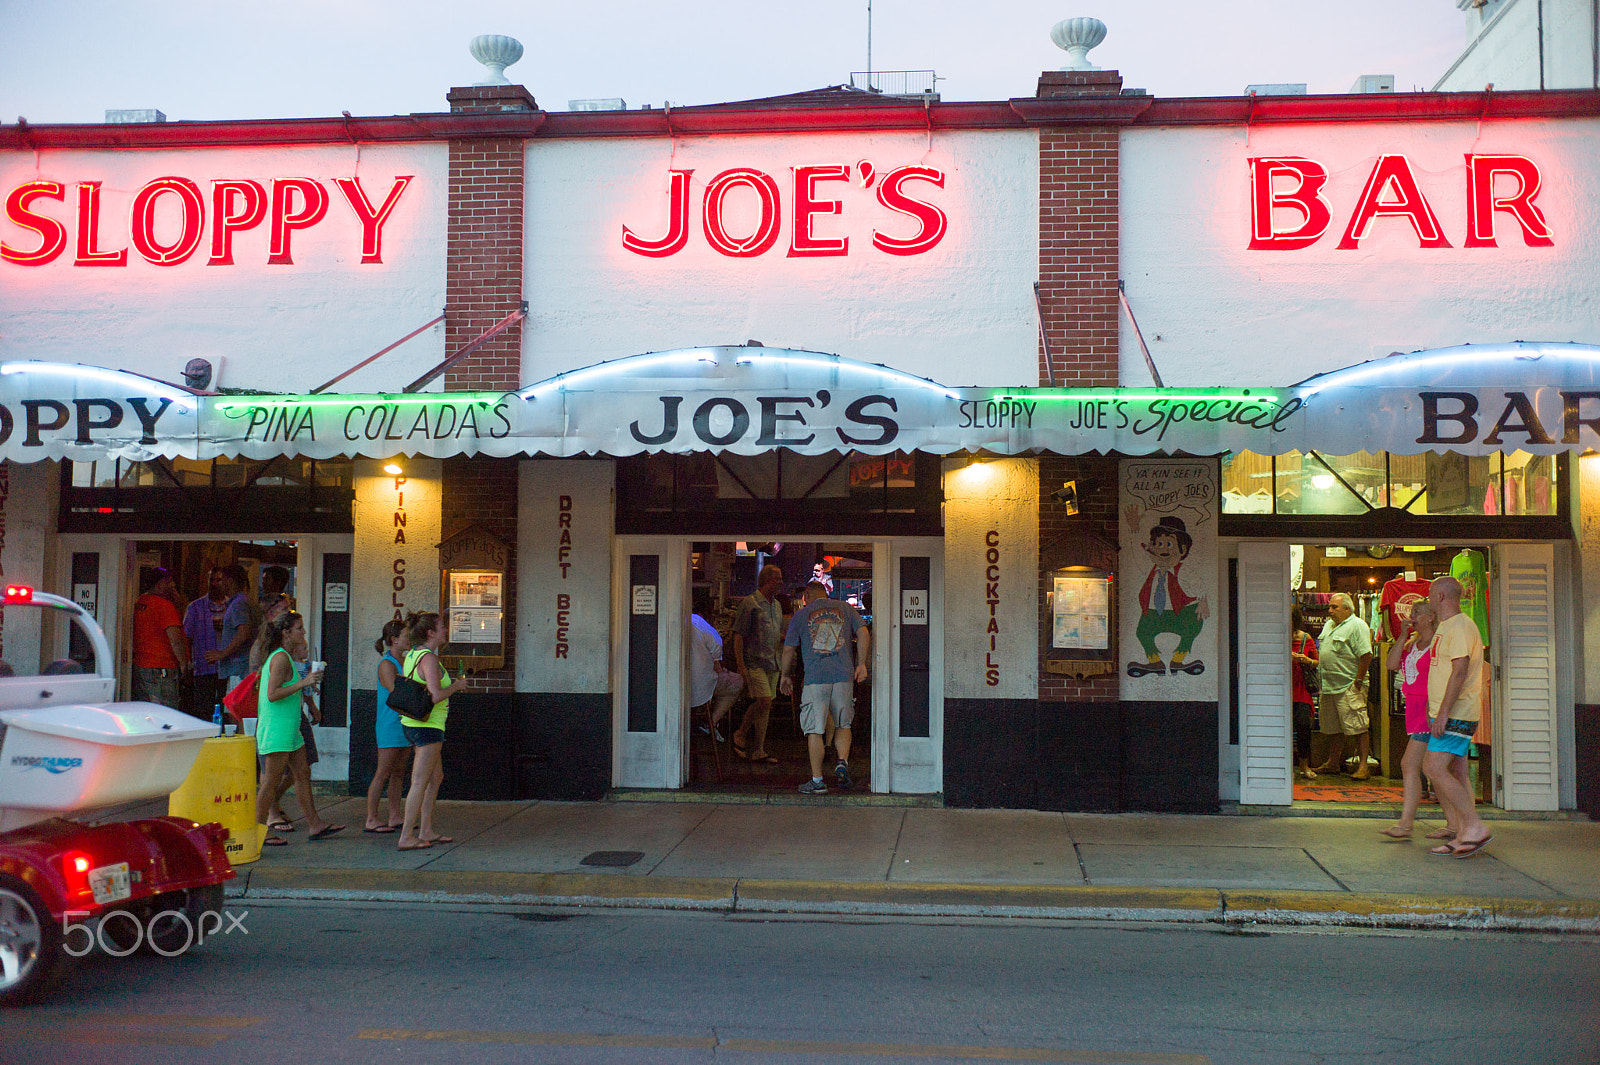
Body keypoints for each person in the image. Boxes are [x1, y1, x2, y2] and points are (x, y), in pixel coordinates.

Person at [253, 611, 341, 846]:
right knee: (270, 782)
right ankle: (258, 831)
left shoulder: (287, 658)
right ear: (286, 633)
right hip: (277, 729)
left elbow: (289, 689)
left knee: (302, 773)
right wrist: (304, 683)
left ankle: (315, 823)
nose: (303, 631)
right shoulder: (280, 658)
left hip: (290, 729)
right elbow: (272, 694)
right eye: (299, 628)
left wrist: (308, 693)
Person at [1422, 577, 1493, 858]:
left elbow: (1459, 672)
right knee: (1457, 772)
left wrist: (1442, 713)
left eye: (1429, 594)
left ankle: (1475, 826)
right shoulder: (1447, 626)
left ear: (1440, 596)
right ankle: (1464, 832)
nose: (1427, 599)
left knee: (1433, 767)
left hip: (1457, 713)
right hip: (1450, 712)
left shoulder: (1461, 626)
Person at [780, 580, 870, 794]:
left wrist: (784, 675)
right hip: (844, 677)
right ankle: (842, 762)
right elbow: (864, 633)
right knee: (842, 724)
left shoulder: (801, 615)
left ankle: (818, 781)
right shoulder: (845, 608)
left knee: (815, 730)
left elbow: (789, 649)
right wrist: (862, 664)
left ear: (808, 594)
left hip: (815, 679)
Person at [1379, 601, 1460, 839]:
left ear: (1431, 617)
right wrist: (1402, 637)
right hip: (1414, 708)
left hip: (1429, 709)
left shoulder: (1438, 644)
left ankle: (1406, 824)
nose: (1412, 616)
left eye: (1417, 613)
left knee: (1410, 765)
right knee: (1433, 769)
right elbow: (1391, 664)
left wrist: (1438, 708)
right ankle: (1453, 824)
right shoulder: (1414, 643)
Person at [395, 611, 468, 852]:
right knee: (419, 782)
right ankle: (407, 836)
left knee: (435, 777)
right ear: (431, 633)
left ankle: (426, 829)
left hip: (414, 724)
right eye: (441, 627)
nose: (445, 630)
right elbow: (436, 695)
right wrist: (456, 686)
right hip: (428, 727)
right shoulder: (429, 659)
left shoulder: (414, 655)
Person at [1311, 592, 1373, 779]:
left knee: (1358, 726)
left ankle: (1363, 766)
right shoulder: (1329, 625)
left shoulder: (1357, 625)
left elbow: (1366, 655)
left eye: (1334, 607)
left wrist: (1358, 682)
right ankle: (1333, 762)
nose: (1330, 611)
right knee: (1333, 728)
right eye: (1329, 607)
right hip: (1329, 686)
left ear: (1348, 608)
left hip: (1349, 685)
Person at [730, 564, 785, 765]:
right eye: (777, 579)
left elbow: (771, 631)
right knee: (764, 700)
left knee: (766, 705)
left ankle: (759, 750)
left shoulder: (776, 606)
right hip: (754, 661)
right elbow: (738, 636)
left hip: (773, 661)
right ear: (766, 581)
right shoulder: (750, 603)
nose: (780, 583)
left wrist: (784, 639)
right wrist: (740, 665)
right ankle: (740, 733)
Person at [364, 619, 413, 833]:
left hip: (405, 721)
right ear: (394, 640)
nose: (409, 639)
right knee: (383, 771)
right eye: (406, 635)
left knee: (399, 772)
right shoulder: (387, 664)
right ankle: (371, 818)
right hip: (390, 723)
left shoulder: (405, 661)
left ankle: (395, 815)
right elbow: (396, 692)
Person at [132, 566, 187, 709]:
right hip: (162, 668)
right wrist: (183, 663)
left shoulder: (140, 601)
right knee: (166, 713)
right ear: (159, 583)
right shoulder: (164, 605)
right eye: (169, 582)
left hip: (141, 666)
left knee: (145, 711)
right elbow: (175, 638)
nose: (173, 585)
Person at [688, 608, 743, 743]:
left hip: (668, 692)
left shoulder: (661, 621)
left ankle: (698, 721)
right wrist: (719, 669)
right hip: (698, 687)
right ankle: (710, 723)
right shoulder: (696, 621)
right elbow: (716, 645)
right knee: (736, 682)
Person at [182, 567, 230, 718]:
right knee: (203, 709)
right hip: (203, 668)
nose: (214, 583)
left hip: (226, 668)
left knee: (226, 709)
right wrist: (187, 664)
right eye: (212, 580)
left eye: (219, 580)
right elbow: (186, 638)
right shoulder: (195, 607)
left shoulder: (232, 606)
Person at [211, 564, 256, 699]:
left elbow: (244, 633)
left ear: (230, 581)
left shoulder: (239, 604)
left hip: (238, 669)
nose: (219, 584)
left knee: (235, 709)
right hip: (241, 668)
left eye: (221, 580)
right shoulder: (244, 601)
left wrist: (222, 653)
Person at [1288, 607, 1318, 779]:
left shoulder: (1305, 638)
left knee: (1303, 727)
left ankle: (1304, 764)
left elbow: (1316, 662)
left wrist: (1306, 660)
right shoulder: (1277, 637)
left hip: (1300, 690)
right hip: (1279, 688)